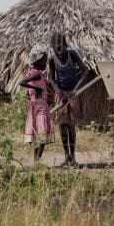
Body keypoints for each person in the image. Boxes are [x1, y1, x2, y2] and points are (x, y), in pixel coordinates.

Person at [48, 33, 89, 166]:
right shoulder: (52, 59)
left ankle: (73, 156)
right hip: (61, 95)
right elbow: (51, 78)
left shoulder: (72, 54)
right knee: (61, 126)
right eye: (56, 49)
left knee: (71, 126)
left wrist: (75, 90)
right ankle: (66, 156)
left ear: (66, 46)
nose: (59, 52)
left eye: (61, 48)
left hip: (73, 94)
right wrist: (59, 92)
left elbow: (85, 71)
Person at [19, 44, 54, 165]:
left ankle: (36, 161)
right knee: (42, 134)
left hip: (35, 105)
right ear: (38, 60)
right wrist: (37, 89)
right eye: (44, 61)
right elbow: (22, 83)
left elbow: (28, 92)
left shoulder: (32, 72)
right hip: (40, 106)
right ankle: (37, 161)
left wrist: (34, 92)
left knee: (37, 134)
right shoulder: (37, 73)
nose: (45, 63)